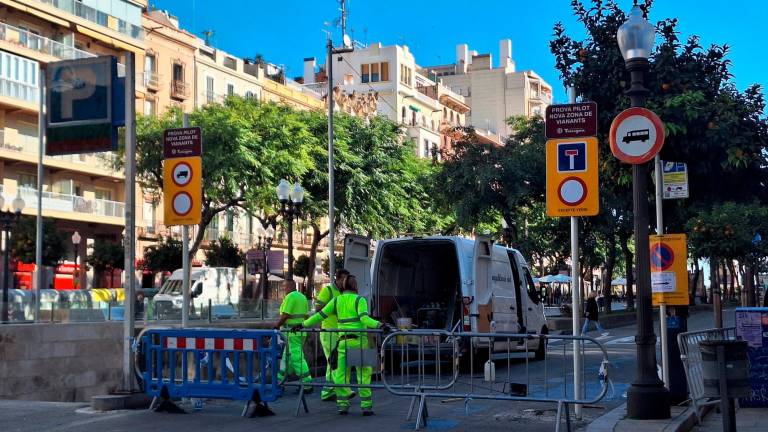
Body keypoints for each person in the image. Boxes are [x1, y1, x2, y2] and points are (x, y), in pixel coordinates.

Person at [298, 275, 388, 416]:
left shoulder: (336, 300)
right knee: (363, 374)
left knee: (340, 374)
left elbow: (319, 315)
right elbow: (364, 318)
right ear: (356, 287)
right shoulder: (360, 300)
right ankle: (366, 406)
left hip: (342, 343)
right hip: (359, 343)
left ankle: (342, 405)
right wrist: (380, 325)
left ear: (343, 286)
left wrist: (302, 325)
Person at [314, 268, 349, 402]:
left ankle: (327, 392)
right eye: (344, 279)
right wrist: (334, 308)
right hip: (329, 332)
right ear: (338, 278)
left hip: (339, 332)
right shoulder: (327, 291)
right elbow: (318, 310)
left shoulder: (343, 292)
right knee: (335, 363)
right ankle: (343, 390)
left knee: (332, 363)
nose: (345, 282)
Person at [275, 280, 312, 390]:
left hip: (291, 333)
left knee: (296, 358)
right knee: (287, 358)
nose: (283, 289)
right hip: (300, 332)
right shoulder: (302, 297)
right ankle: (279, 381)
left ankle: (307, 384)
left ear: (290, 286)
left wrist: (276, 326)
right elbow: (306, 316)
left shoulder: (290, 297)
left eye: (284, 287)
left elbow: (285, 315)